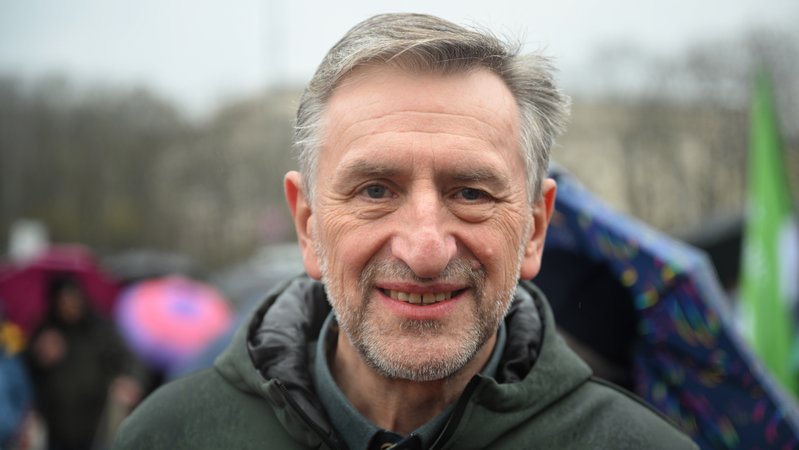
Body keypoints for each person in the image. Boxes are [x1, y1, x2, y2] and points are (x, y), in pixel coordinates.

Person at [113, 13, 697, 449]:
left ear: (535, 229)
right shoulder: (168, 438)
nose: (424, 250)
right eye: (375, 191)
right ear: (309, 226)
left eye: (470, 193)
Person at [26, 276, 142, 450]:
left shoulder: (99, 328)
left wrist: (128, 381)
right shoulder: (46, 332)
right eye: (63, 301)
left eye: (73, 300)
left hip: (95, 422)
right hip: (56, 423)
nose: (69, 306)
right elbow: (27, 371)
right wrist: (38, 355)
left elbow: (125, 360)